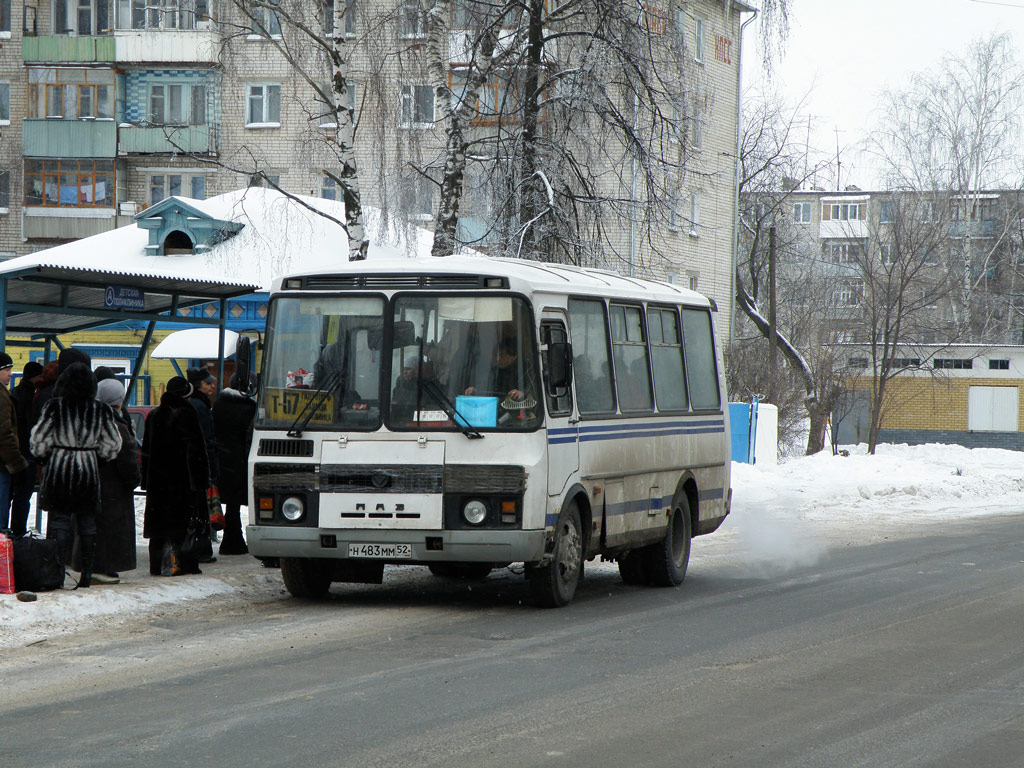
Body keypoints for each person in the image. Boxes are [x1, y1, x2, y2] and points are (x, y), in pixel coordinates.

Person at [29, 362, 122, 588]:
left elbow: (38, 440)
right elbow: (113, 444)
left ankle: (59, 571)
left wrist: (46, 457)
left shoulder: (54, 407)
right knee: (87, 522)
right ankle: (87, 574)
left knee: (60, 521)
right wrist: (96, 457)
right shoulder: (101, 410)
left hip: (60, 469)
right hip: (88, 470)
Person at [70, 378, 141, 584]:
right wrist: (134, 479)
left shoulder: (85, 420)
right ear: (118, 400)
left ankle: (87, 564)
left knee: (88, 526)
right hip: (112, 490)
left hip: (86, 484)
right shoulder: (116, 426)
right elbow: (127, 459)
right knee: (107, 530)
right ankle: (102, 567)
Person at [141, 376, 210, 577]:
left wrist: (146, 480)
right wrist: (200, 481)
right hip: (181, 481)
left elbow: (146, 451)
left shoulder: (154, 414)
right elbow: (195, 451)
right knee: (182, 525)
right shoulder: (187, 413)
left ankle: (156, 565)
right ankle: (183, 563)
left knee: (158, 527)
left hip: (158, 482)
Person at [212, 374, 255, 556]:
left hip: (222, 459)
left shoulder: (219, 404)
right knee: (236, 503)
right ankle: (234, 541)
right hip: (241, 461)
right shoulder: (250, 407)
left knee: (230, 502)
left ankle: (231, 541)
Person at [187, 366, 220, 560]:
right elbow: (207, 439)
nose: (213, 386)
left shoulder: (198, 403)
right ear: (198, 385)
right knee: (202, 509)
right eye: (208, 383)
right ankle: (201, 550)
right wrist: (212, 467)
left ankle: (200, 548)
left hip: (198, 463)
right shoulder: (200, 406)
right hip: (202, 464)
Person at [8, 360, 41, 535]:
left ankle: (5, 533)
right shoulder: (33, 398)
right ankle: (18, 532)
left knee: (8, 496)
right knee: (22, 498)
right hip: (27, 454)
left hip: (13, 453)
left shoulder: (13, 394)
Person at [0, 352, 29, 532]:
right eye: (6, 370)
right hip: (1, 464)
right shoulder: (1, 396)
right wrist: (16, 462)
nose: (11, 374)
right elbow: (4, 432)